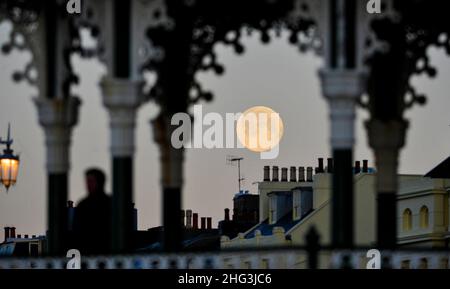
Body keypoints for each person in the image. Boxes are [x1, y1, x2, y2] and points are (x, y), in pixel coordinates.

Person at [73, 168, 111, 255]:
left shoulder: (109, 203)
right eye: (87, 181)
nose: (88, 185)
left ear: (100, 182)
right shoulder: (82, 205)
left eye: (91, 181)